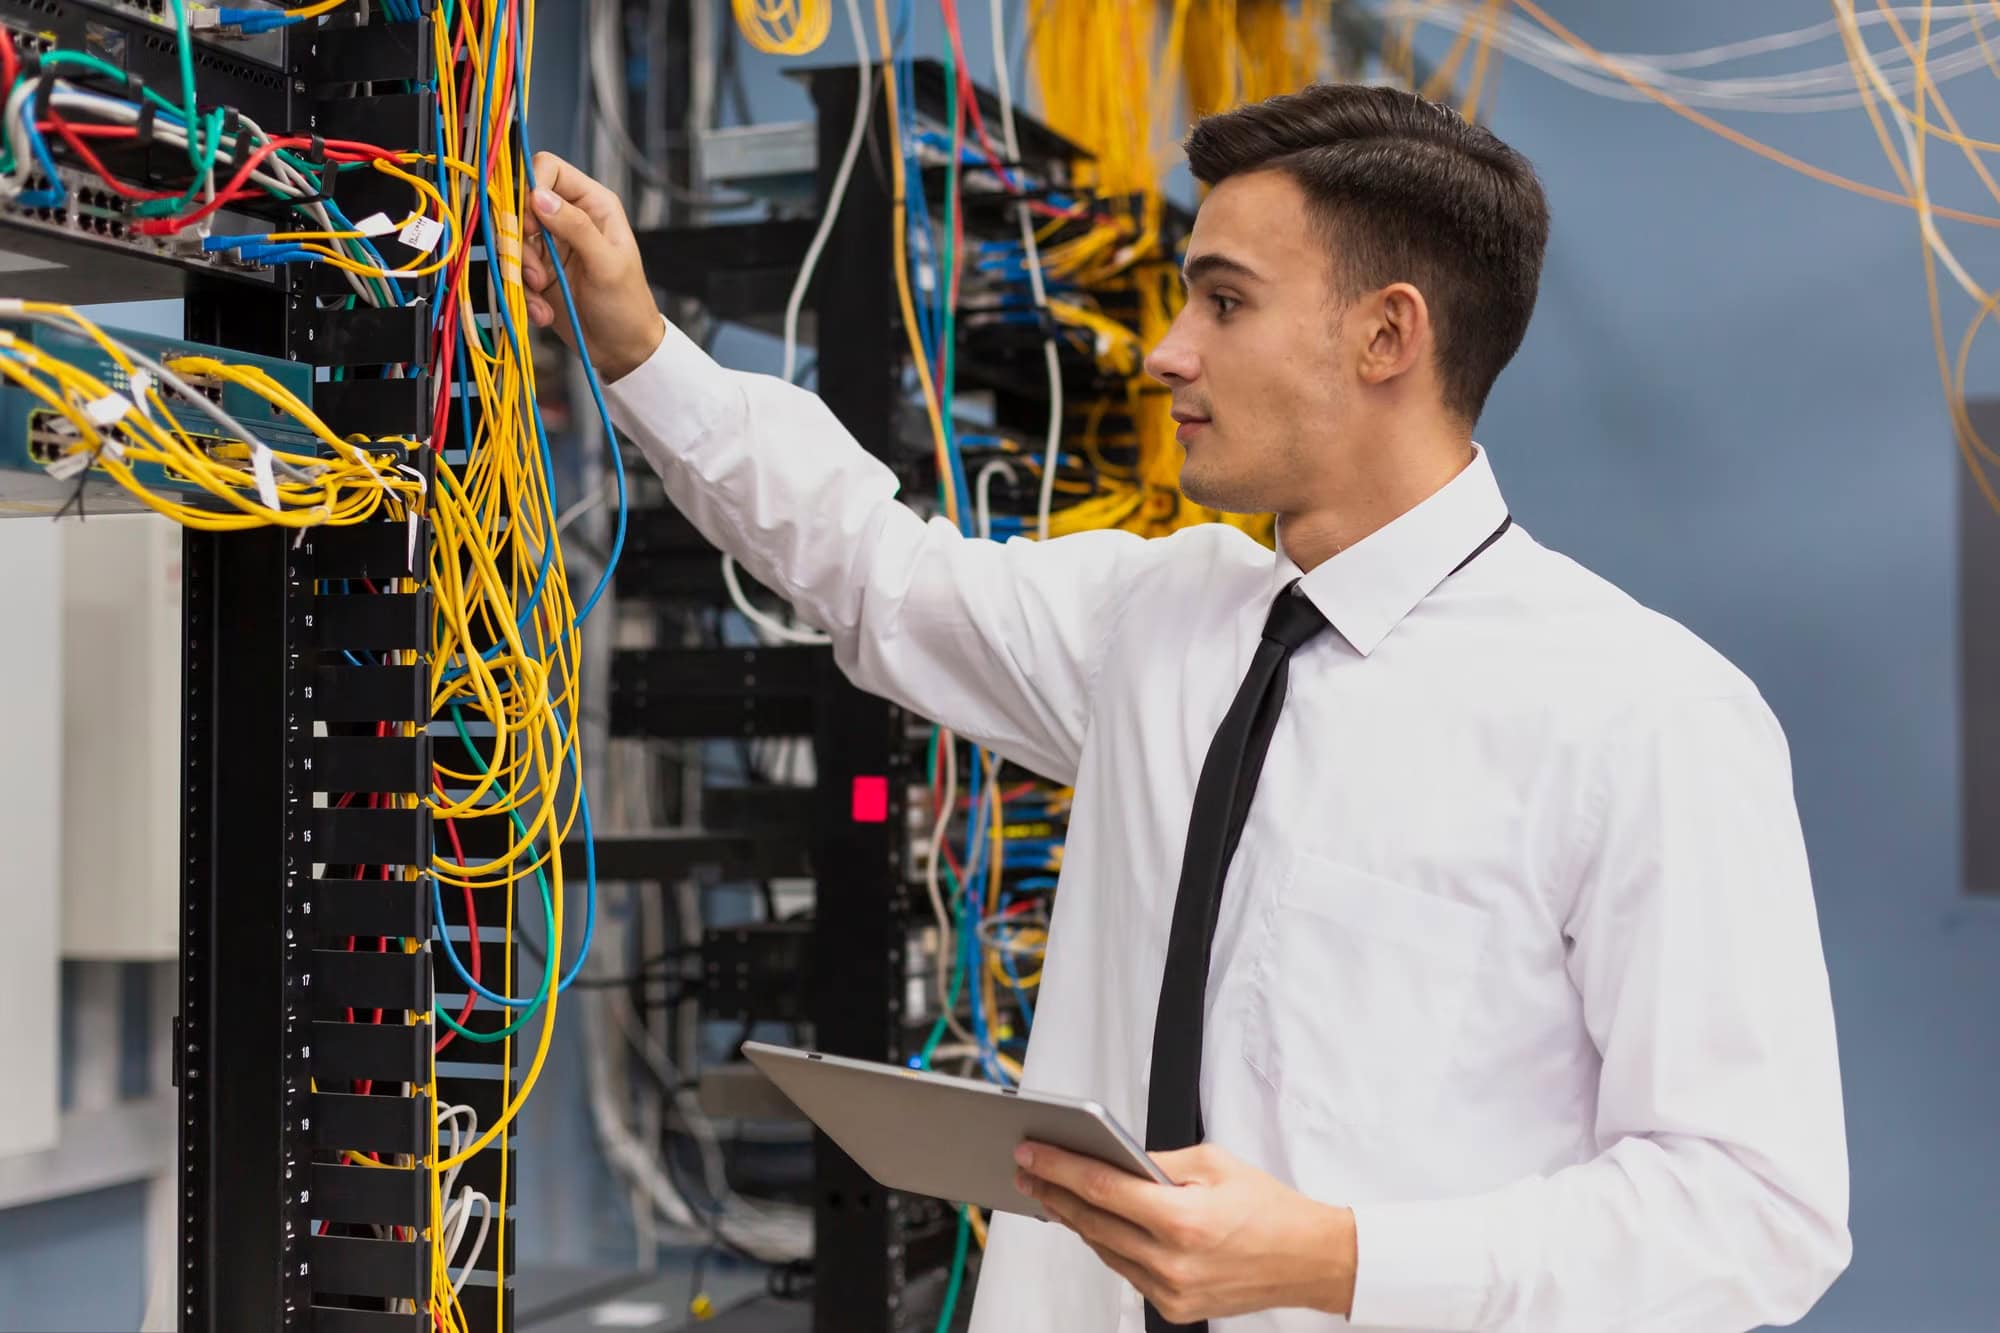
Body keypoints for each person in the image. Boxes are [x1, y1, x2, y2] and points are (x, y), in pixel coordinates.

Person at [520, 83, 1850, 1333]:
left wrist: (1333, 1254)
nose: (1166, 355)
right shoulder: (1162, 620)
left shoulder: (1642, 713)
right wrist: (639, 345)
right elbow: (879, 571)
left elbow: (1756, 1207)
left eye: (1223, 303)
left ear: (1388, 333)